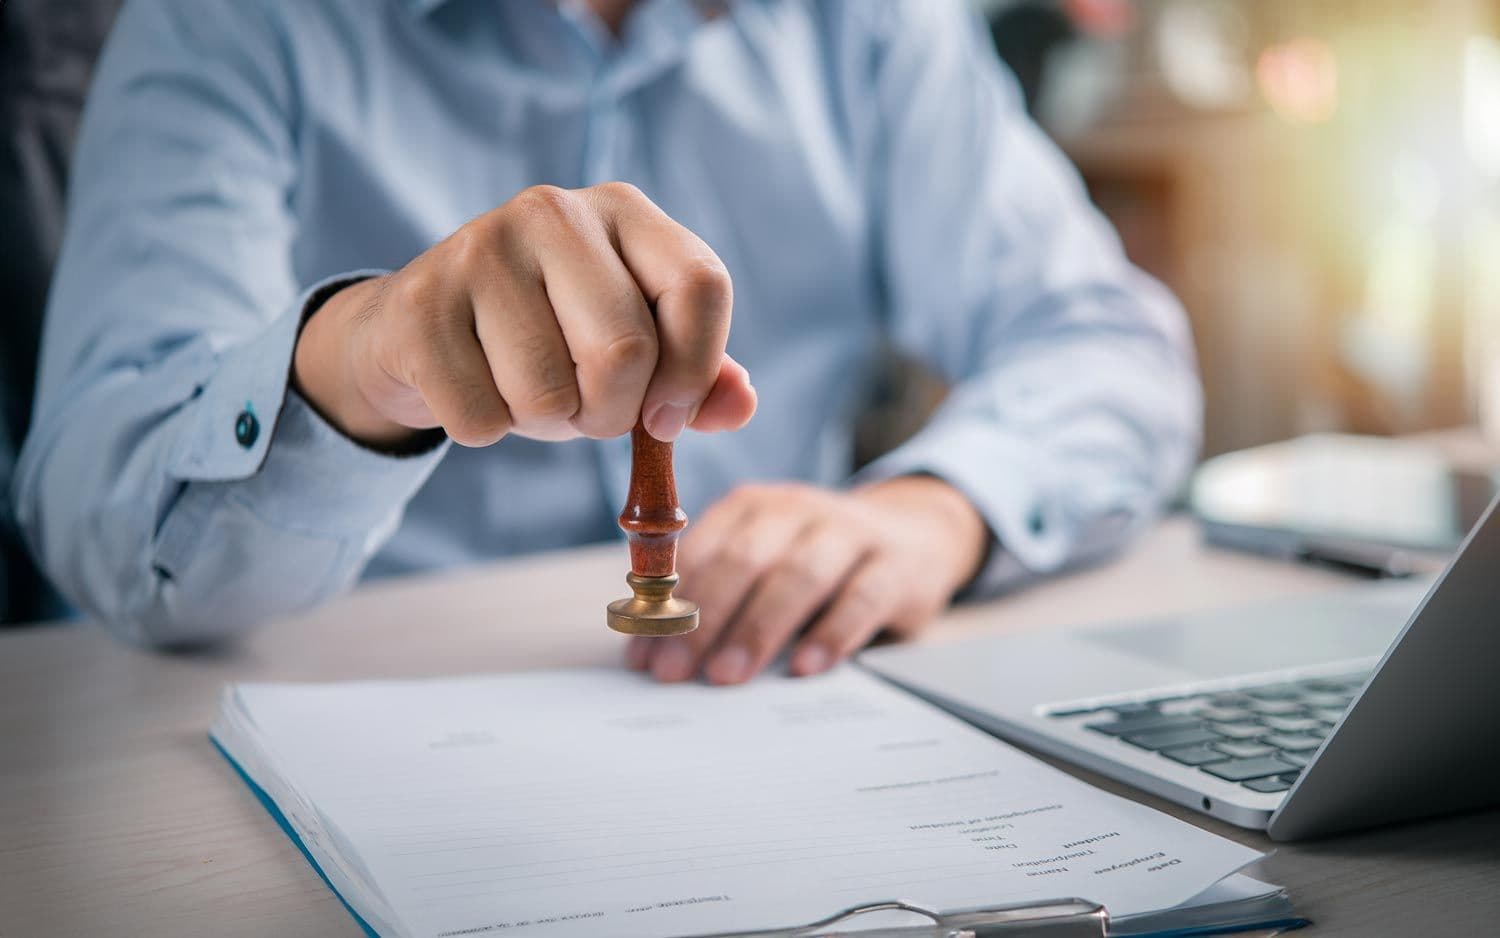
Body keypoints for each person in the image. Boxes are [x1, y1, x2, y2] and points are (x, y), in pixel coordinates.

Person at [13, 0, 1200, 685]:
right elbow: (95, 506)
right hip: (328, 709)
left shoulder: (876, 24)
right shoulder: (232, 23)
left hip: (774, 712)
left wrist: (937, 510)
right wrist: (362, 357)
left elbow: (1110, 344)